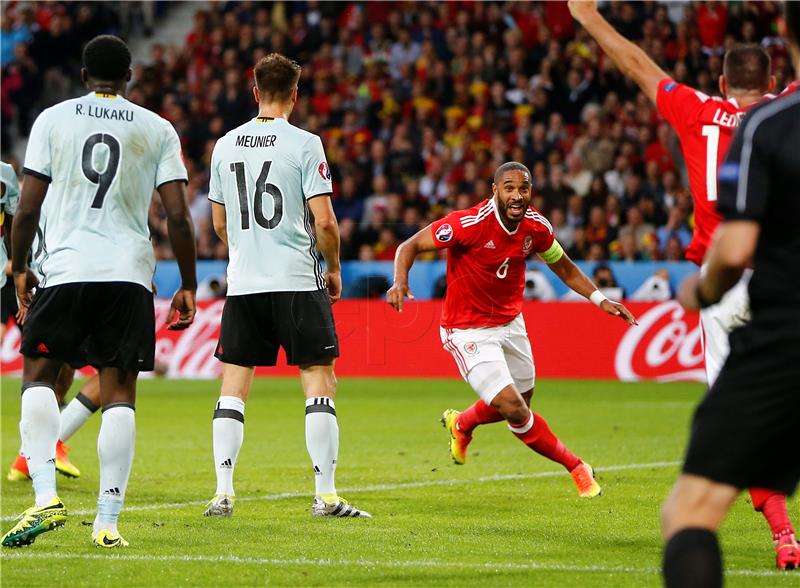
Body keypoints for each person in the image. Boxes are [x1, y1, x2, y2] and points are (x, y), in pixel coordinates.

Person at [568, 0, 799, 568]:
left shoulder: (699, 110)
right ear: (772, 81)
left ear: (722, 82)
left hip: (725, 286)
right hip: (788, 277)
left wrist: (587, 17)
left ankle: (785, 536)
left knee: (738, 421)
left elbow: (638, 65)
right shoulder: (786, 115)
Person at [1, 35, 197, 549]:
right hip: (129, 273)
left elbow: (27, 207)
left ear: (84, 75)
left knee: (40, 377)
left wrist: (19, 268)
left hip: (65, 268)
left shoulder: (52, 118)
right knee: (120, 395)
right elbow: (178, 215)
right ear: (129, 76)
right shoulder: (157, 128)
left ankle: (45, 496)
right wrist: (189, 284)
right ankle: (107, 523)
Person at [387, 162, 636, 498]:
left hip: (510, 322)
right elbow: (409, 246)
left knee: (523, 402)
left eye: (524, 188)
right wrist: (400, 281)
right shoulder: (468, 224)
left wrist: (599, 299)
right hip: (468, 331)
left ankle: (462, 424)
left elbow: (563, 266)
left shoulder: (536, 227)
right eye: (509, 188)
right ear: (495, 191)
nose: (517, 195)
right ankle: (577, 467)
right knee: (515, 408)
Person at [663, 3, 800, 582]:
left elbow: (737, 244)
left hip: (765, 306)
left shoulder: (765, 125)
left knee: (692, 507)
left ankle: (784, 534)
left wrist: (703, 288)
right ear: (770, 80)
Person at [203, 53, 370, 519]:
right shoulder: (305, 144)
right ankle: (327, 497)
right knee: (320, 382)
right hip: (297, 279)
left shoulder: (225, 145)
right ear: (295, 94)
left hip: (245, 282)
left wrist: (247, 248)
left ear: (254, 91)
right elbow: (326, 222)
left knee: (233, 387)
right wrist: (333, 267)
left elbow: (219, 223)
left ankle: (223, 492)